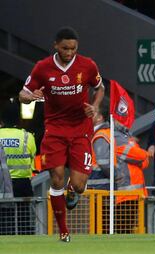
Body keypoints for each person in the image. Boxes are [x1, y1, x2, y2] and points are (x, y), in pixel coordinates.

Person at [18, 27, 105, 242]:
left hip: (80, 130)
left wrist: (94, 107)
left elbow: (100, 87)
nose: (69, 52)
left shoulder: (87, 65)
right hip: (55, 129)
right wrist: (30, 97)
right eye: (65, 48)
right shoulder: (42, 67)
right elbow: (23, 94)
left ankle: (72, 191)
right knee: (56, 179)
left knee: (79, 185)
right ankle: (63, 231)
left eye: (73, 48)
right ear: (56, 46)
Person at [0, 99, 37, 235]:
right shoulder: (27, 136)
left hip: (2, 183)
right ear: (18, 118)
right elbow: (32, 155)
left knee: (4, 220)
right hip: (22, 184)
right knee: (24, 220)